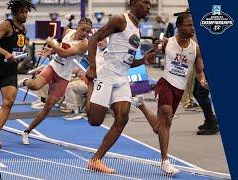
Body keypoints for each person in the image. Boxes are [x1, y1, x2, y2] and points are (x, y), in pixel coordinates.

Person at [85, 0, 154, 174]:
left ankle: (96, 159)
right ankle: (90, 86)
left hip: (122, 78)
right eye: (145, 3)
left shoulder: (137, 28)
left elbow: (128, 61)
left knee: (122, 118)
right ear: (135, 3)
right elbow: (94, 38)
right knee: (95, 121)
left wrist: (143, 59)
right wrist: (93, 67)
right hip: (107, 74)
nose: (149, 6)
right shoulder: (120, 20)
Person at [136, 12, 208, 175]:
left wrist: (203, 81)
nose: (193, 28)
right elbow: (151, 57)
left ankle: (141, 106)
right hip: (165, 83)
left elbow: (199, 71)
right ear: (179, 26)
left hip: (179, 89)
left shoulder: (195, 48)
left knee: (160, 127)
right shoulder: (167, 42)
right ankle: (165, 161)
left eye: (193, 25)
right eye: (189, 25)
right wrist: (153, 52)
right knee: (166, 115)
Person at [18, 18, 93, 144]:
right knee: (35, 86)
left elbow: (64, 53)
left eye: (88, 31)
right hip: (53, 67)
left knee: (48, 108)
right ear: (77, 26)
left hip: (63, 77)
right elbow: (60, 47)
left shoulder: (85, 44)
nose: (85, 33)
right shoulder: (68, 31)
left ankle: (26, 132)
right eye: (83, 29)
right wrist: (51, 50)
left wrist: (50, 43)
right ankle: (25, 81)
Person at [0, 0, 35, 150]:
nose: (24, 15)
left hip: (10, 71)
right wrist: (5, 53)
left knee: (8, 102)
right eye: (22, 12)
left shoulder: (23, 29)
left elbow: (17, 48)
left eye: (26, 12)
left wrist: (20, 56)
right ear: (15, 12)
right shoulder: (7, 24)